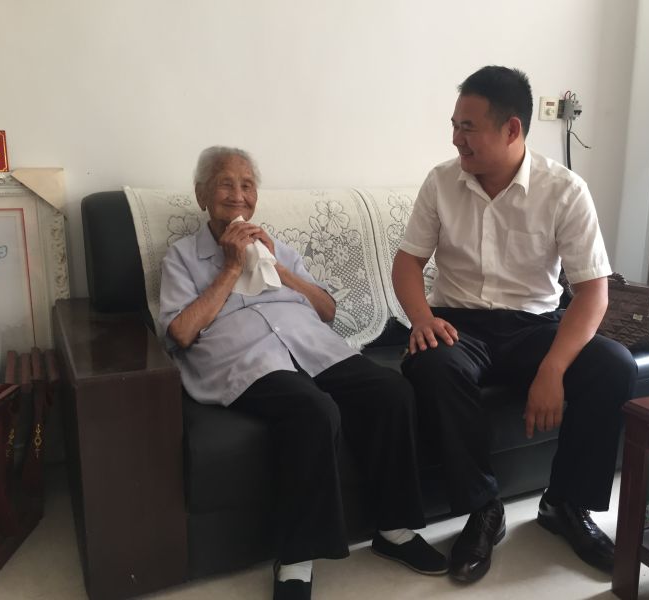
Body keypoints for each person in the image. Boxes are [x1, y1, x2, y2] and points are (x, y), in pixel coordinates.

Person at [159, 146, 447, 600]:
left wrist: (277, 267)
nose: (238, 195)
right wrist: (232, 266)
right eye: (225, 184)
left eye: (247, 185)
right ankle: (296, 558)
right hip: (247, 360)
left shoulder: (280, 249)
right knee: (314, 411)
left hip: (313, 348)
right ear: (202, 195)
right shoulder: (182, 258)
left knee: (391, 391)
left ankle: (393, 530)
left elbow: (327, 311)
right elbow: (181, 332)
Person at [392, 66, 637, 582]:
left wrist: (554, 368)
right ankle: (484, 508)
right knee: (431, 365)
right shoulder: (441, 182)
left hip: (534, 326)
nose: (456, 139)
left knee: (613, 365)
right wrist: (422, 319)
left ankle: (565, 503)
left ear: (512, 129)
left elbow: (593, 292)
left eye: (468, 128)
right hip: (459, 325)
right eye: (454, 125)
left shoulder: (564, 189)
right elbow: (408, 262)